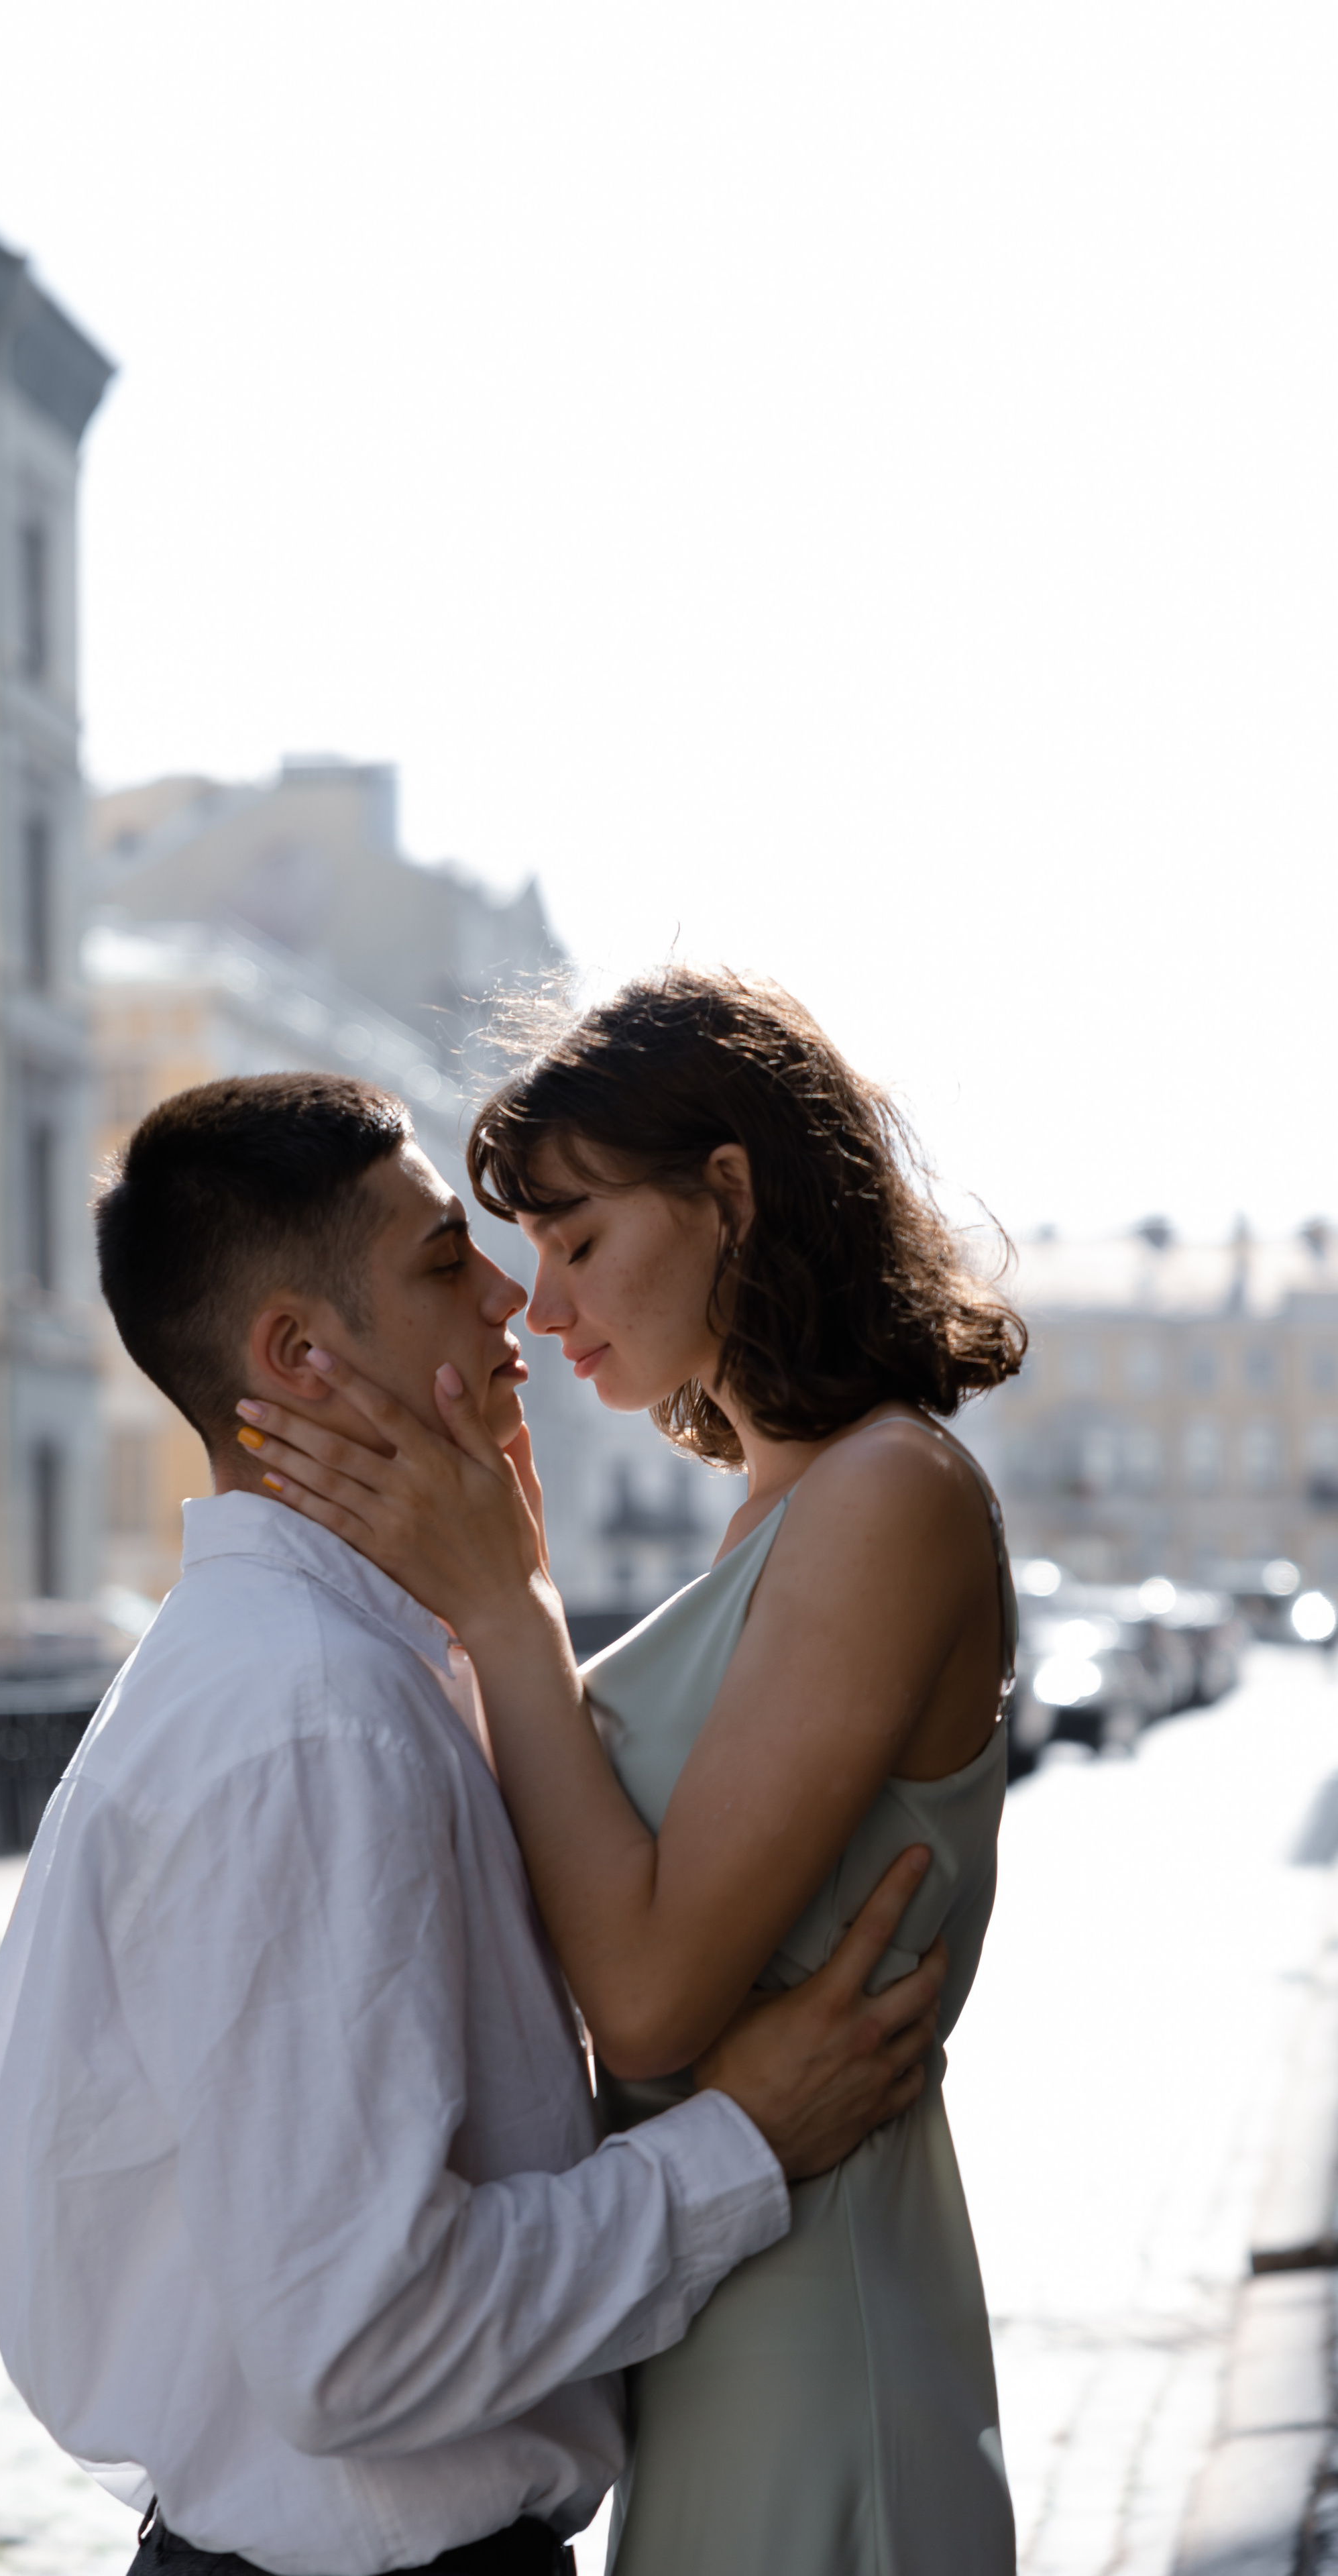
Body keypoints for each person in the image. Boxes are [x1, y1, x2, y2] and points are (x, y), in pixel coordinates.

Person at [0, 1069, 950, 2576]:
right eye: (440, 1260)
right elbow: (361, 2345)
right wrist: (742, 2144)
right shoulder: (310, 1715)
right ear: (297, 1356)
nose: (509, 1300)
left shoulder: (330, 1668)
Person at [239, 971, 1027, 2575]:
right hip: (719, 2315)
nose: (539, 1304)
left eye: (580, 1238)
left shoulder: (889, 1495)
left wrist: (506, 1607)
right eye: (526, 1251)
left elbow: (655, 2001)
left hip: (820, 2337)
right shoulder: (785, 1507)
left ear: (726, 1194)